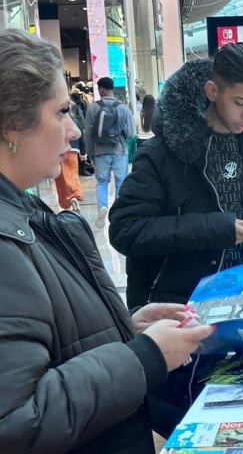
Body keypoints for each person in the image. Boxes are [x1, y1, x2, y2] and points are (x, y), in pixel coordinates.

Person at [0, 28, 214, 453]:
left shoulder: (28, 213)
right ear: (12, 125)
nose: (74, 131)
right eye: (62, 112)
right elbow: (17, 420)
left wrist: (124, 327)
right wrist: (145, 356)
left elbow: (49, 346)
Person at [108, 42, 243, 434]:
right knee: (193, 426)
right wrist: (216, 228)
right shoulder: (162, 152)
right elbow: (125, 230)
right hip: (183, 314)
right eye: (240, 102)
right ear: (213, 91)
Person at [85, 76, 135, 229]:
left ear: (102, 89)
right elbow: (131, 133)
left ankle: (103, 208)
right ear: (112, 89)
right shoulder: (123, 108)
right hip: (119, 150)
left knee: (102, 182)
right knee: (121, 182)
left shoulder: (93, 108)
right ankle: (118, 213)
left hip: (100, 151)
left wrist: (90, 153)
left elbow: (88, 133)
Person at [53, 92, 87, 212]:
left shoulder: (57, 121)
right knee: (73, 173)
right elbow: (81, 137)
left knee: (62, 177)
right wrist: (83, 154)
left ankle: (66, 200)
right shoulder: (75, 121)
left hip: (61, 150)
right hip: (74, 150)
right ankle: (75, 195)